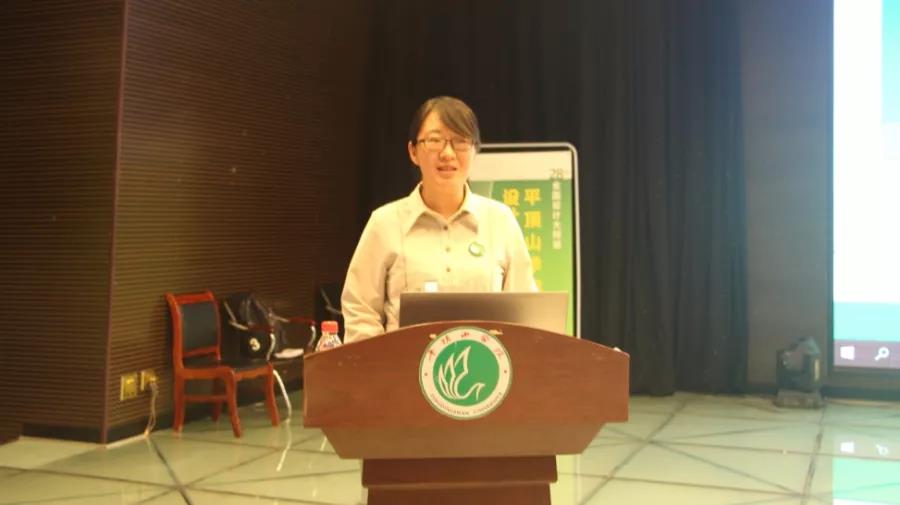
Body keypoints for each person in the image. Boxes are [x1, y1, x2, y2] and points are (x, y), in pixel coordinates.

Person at [341, 96, 537, 343]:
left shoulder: (500, 221)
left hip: (486, 365)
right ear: (413, 151)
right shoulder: (385, 223)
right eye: (434, 141)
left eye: (460, 141)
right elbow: (360, 311)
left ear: (475, 150)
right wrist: (379, 363)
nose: (447, 153)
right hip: (403, 366)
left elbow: (525, 314)